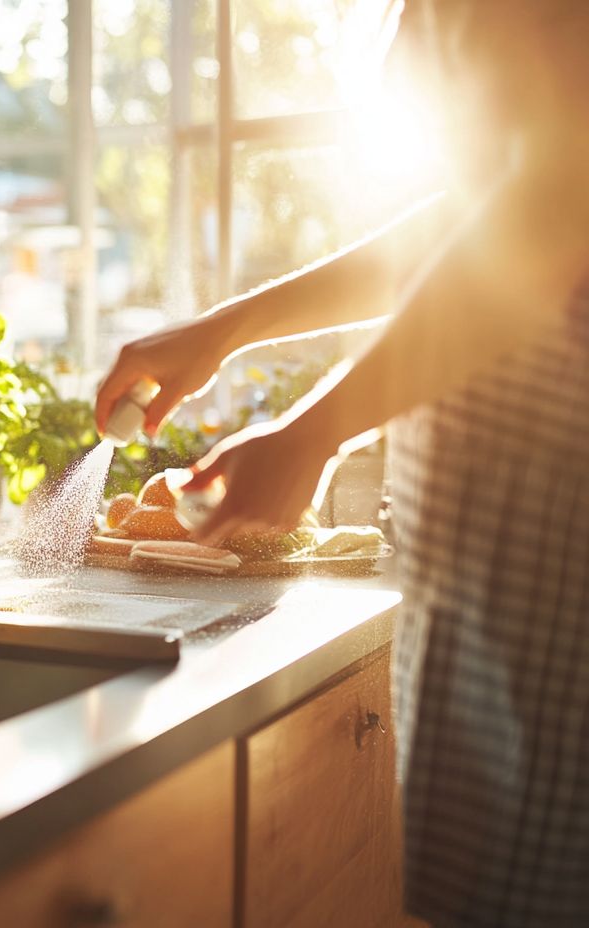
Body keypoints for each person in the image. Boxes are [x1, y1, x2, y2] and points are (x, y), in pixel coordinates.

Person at [95, 2, 589, 925]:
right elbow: (470, 225)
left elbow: (551, 208)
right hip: (494, 579)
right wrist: (228, 330)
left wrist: (315, 432)